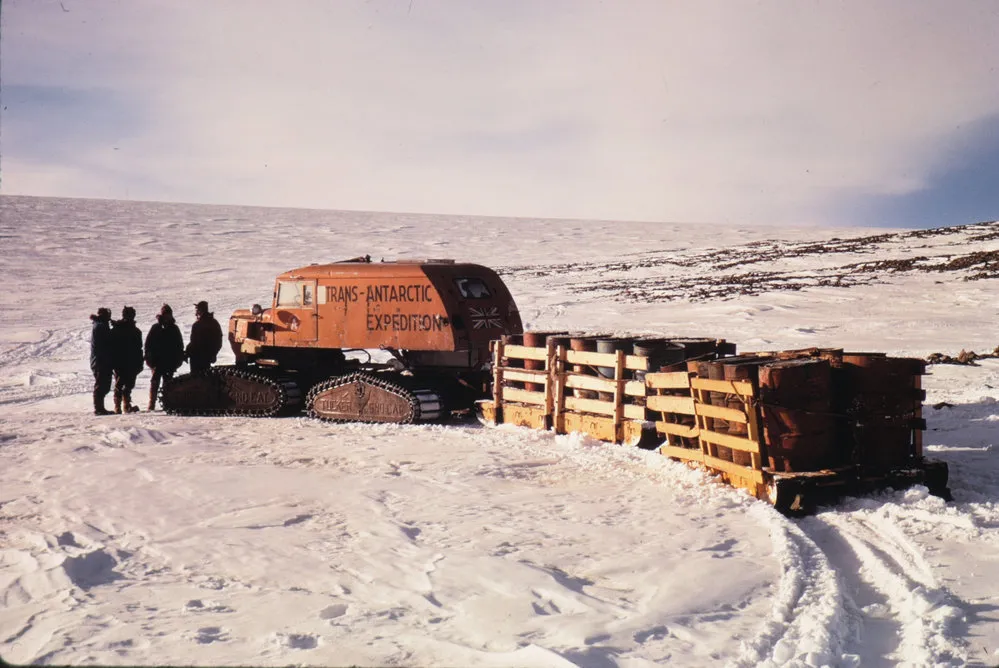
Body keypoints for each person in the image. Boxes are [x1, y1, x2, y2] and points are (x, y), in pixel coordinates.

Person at [144, 303, 185, 410]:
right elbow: (148, 345)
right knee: (155, 382)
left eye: (168, 314)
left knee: (168, 384)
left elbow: (179, 345)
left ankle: (167, 403)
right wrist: (149, 360)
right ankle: (151, 404)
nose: (167, 316)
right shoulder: (156, 327)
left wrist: (178, 360)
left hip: (169, 362)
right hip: (156, 362)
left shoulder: (174, 328)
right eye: (165, 314)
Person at [111, 306, 144, 413]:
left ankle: (122, 406)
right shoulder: (135, 331)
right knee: (124, 385)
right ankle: (122, 406)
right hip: (128, 362)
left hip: (124, 362)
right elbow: (139, 349)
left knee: (123, 384)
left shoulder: (117, 329)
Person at [186, 300, 223, 373]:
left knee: (196, 379)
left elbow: (194, 343)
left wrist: (188, 352)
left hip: (196, 358)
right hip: (207, 358)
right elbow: (219, 341)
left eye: (197, 310)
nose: (196, 313)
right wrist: (213, 353)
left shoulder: (197, 325)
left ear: (200, 310)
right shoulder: (214, 323)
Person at [89, 307, 114, 415]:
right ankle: (99, 408)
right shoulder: (101, 326)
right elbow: (107, 343)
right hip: (100, 360)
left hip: (100, 360)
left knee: (103, 384)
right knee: (101, 384)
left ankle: (100, 408)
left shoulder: (100, 325)